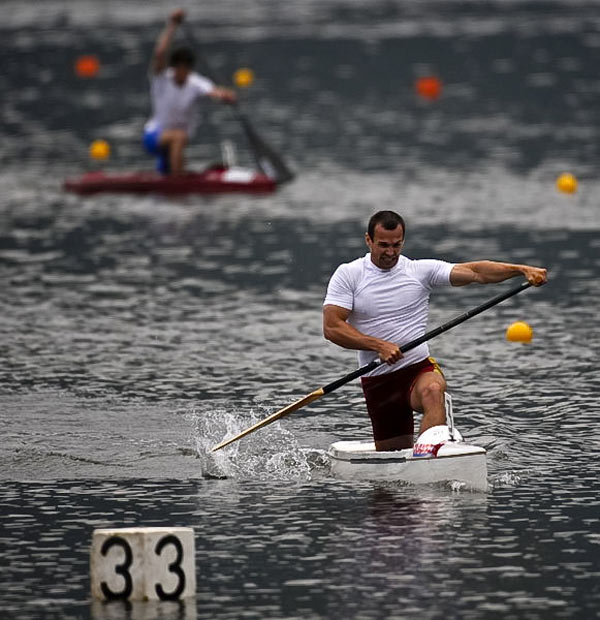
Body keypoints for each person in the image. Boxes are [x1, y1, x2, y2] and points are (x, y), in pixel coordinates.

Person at [322, 210, 547, 454]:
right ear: (368, 240)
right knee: (392, 457)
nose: (390, 252)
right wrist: (379, 346)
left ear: (403, 241)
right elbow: (332, 328)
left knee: (433, 389)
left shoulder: (420, 271)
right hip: (378, 380)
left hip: (417, 369)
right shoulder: (349, 275)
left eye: (396, 245)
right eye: (383, 245)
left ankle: (431, 453)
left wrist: (521, 269)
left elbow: (476, 272)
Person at [143, 9, 237, 175]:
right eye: (181, 67)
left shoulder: (195, 82)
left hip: (175, 143)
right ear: (174, 67)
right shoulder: (162, 79)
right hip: (155, 135)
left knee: (170, 167)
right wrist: (172, 25)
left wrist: (226, 95)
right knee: (180, 137)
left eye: (187, 67)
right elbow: (160, 53)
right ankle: (178, 182)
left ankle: (174, 178)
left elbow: (214, 92)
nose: (184, 71)